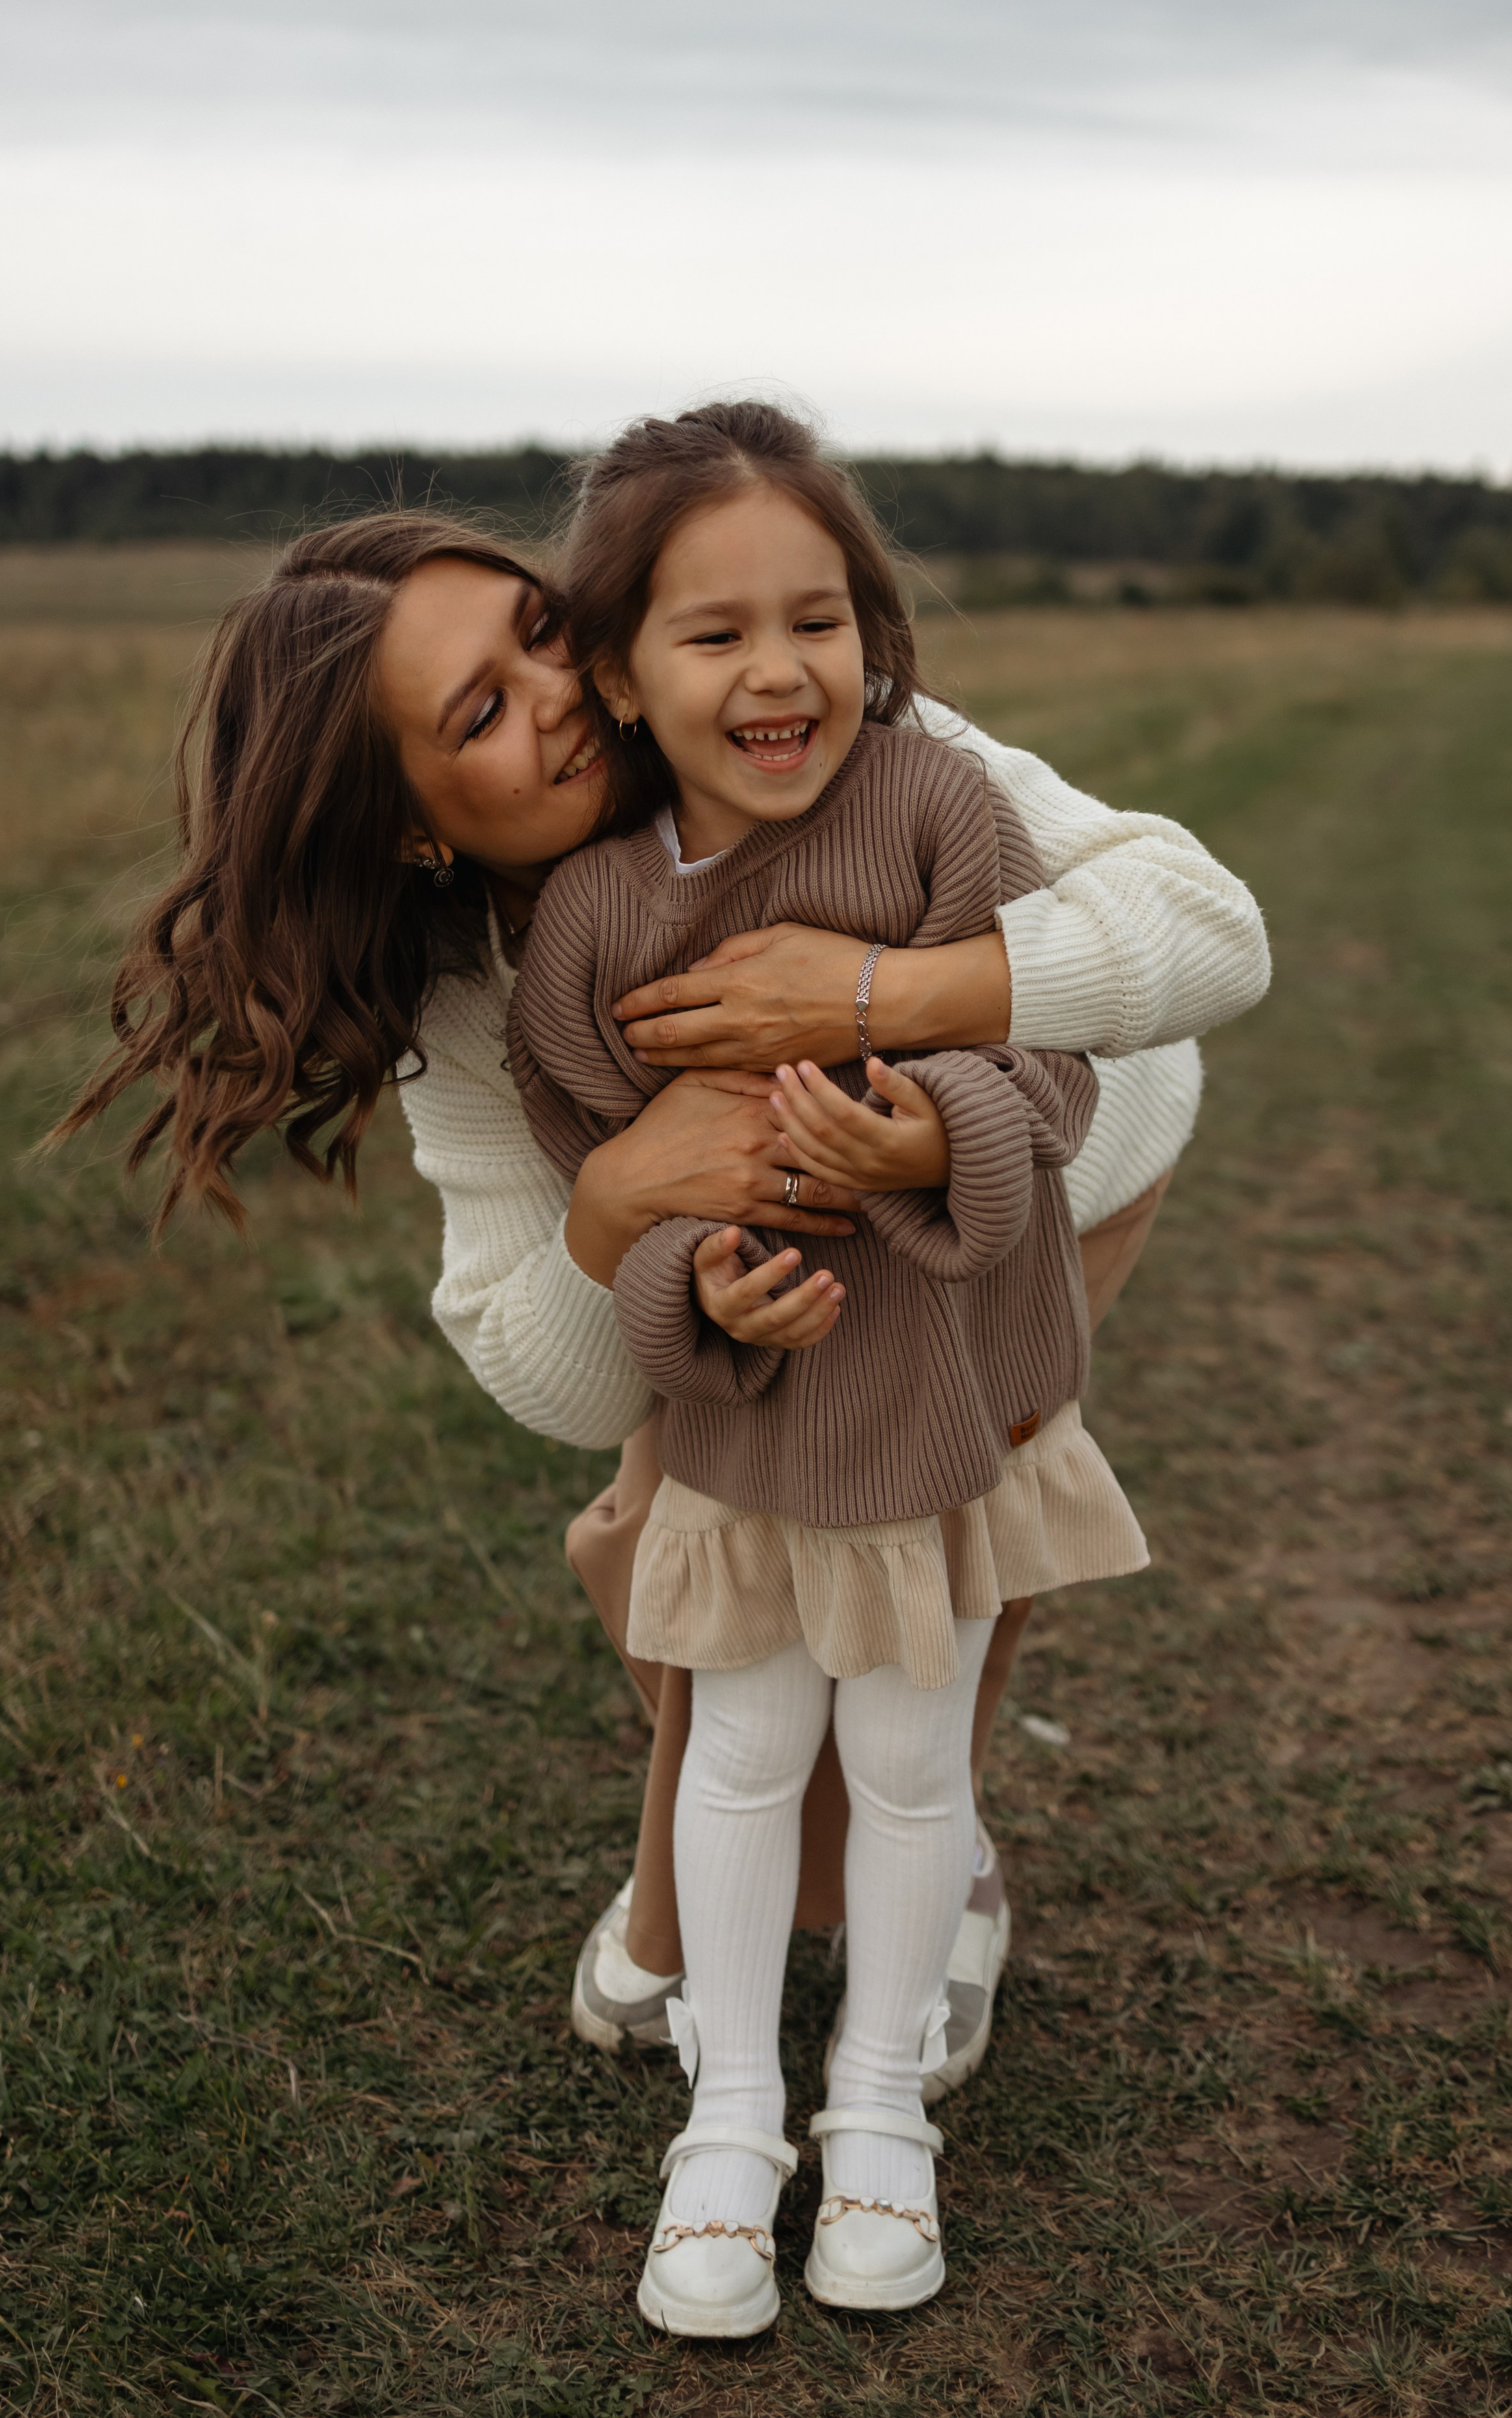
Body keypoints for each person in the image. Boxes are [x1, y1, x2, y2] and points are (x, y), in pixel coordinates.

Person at [52, 482, 1266, 2271]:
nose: (554, 698)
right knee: (674, 1541)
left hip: (1048, 1178)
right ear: (407, 830)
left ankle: (895, 1901)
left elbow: (1210, 929)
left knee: (943, 1524)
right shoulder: (479, 991)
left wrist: (881, 992)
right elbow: (557, 1379)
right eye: (477, 713)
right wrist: (619, 1196)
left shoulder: (811, 721)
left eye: (540, 635)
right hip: (743, 1281)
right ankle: (705, 1919)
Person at [499, 400, 1239, 2334]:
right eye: (715, 632)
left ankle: (880, 2110)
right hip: (751, 1423)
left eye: (816, 619)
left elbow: (1056, 1059)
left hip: (933, 1400)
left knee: (914, 1761)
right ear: (621, 673)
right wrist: (692, 1290)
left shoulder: (935, 807)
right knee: (739, 1752)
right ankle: (730, 2130)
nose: (778, 671)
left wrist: (934, 1138)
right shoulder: (588, 918)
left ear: (872, 628)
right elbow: (603, 1172)